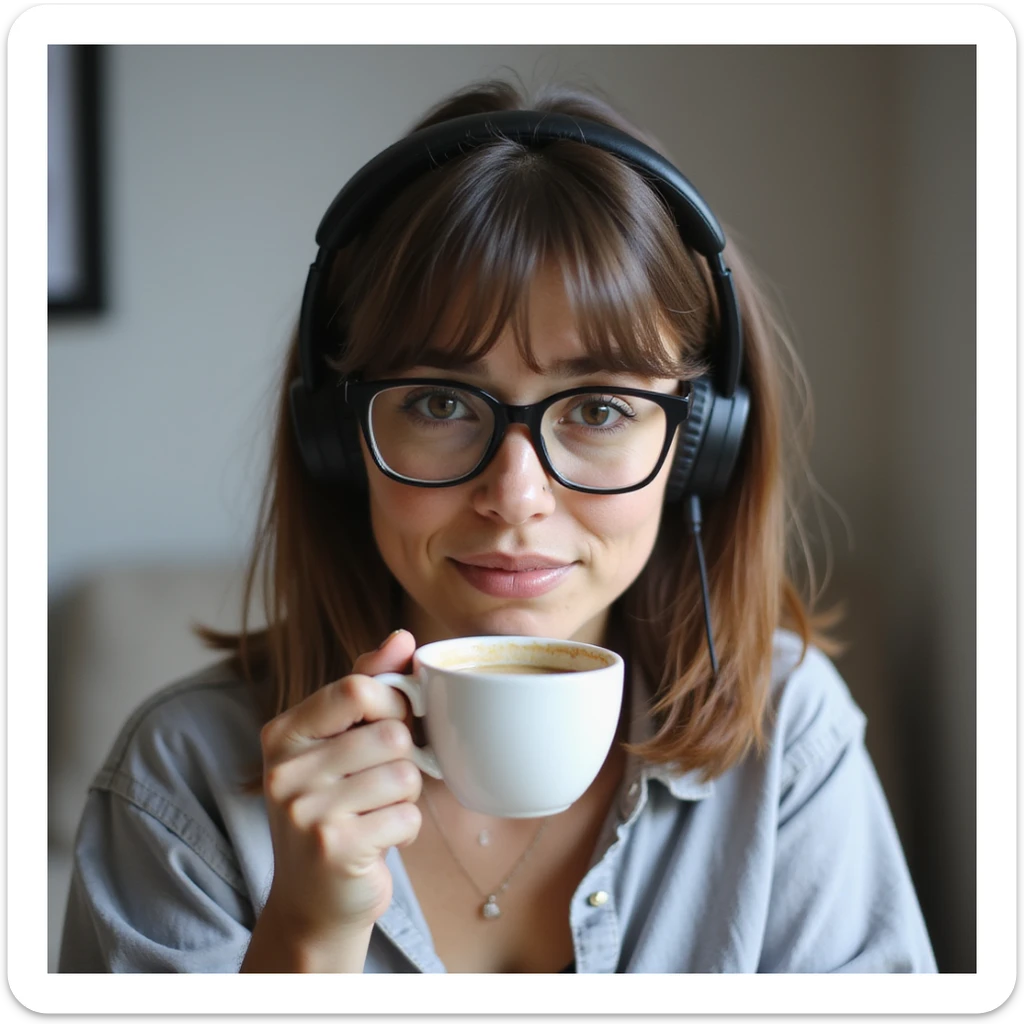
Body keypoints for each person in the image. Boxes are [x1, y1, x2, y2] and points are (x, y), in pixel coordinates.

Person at [58, 79, 937, 974]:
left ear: (698, 446)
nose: (515, 498)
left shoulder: (783, 731)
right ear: (338, 439)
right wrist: (306, 942)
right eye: (441, 402)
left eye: (598, 408)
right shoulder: (180, 781)